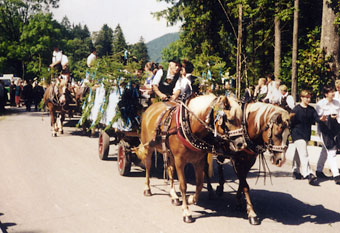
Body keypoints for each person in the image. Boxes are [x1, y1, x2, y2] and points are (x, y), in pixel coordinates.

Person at [291, 90, 323, 185]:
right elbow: (291, 123)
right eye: (306, 97)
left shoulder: (311, 110)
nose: (308, 99)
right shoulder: (296, 109)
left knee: (299, 152)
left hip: (306, 134)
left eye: (309, 97)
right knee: (304, 153)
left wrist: (321, 119)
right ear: (301, 98)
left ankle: (295, 171)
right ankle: (308, 173)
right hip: (297, 134)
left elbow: (316, 118)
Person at [315, 86, 340, 185]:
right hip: (324, 130)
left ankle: (319, 170)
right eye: (330, 92)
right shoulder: (320, 104)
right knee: (331, 150)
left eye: (333, 91)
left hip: (335, 129)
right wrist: (329, 117)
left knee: (325, 150)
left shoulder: (337, 103)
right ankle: (336, 175)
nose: (333, 93)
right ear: (325, 94)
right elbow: (319, 118)